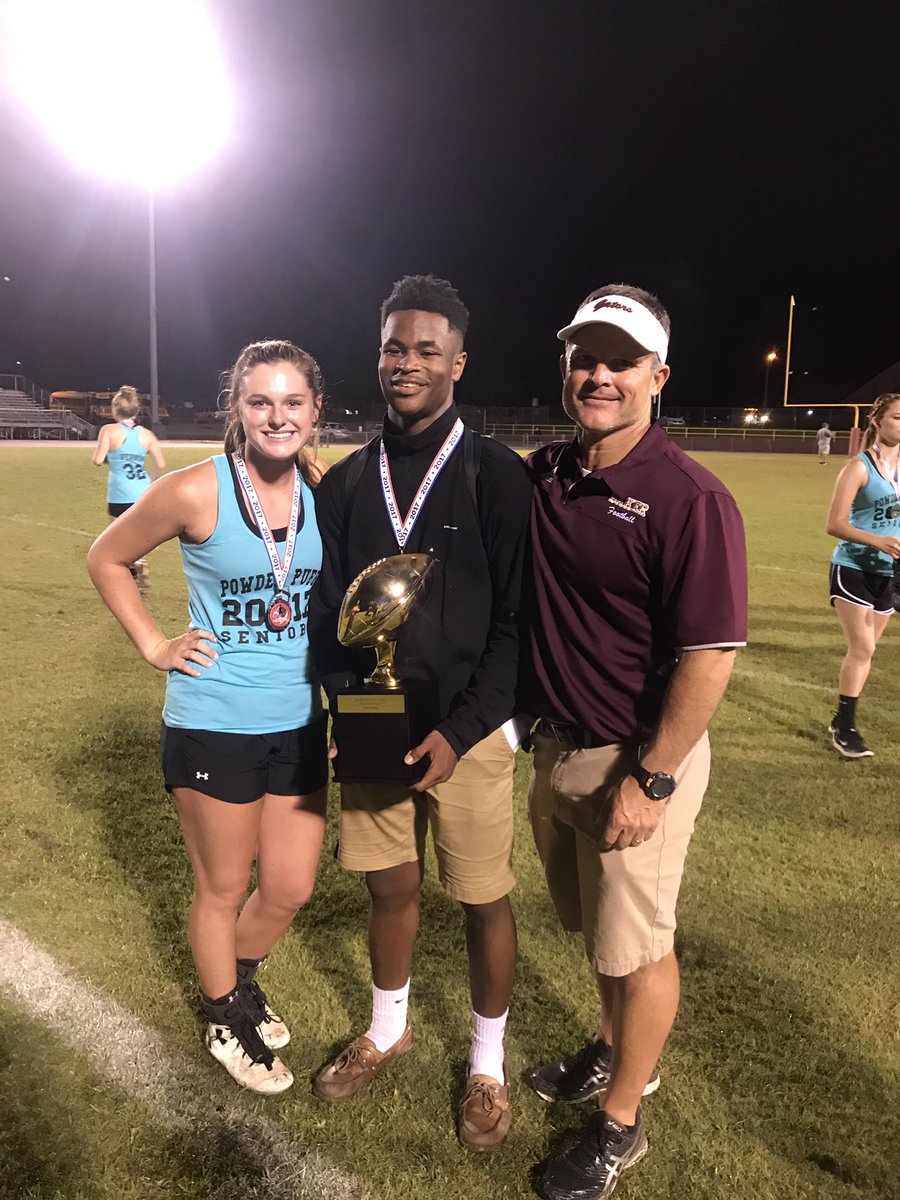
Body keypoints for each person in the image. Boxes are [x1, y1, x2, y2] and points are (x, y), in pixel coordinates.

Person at [520, 285, 747, 1200]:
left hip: (637, 758)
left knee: (642, 948)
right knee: (600, 935)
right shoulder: (546, 471)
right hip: (557, 748)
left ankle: (622, 1122)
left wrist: (650, 780)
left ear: (659, 376)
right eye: (586, 357)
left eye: (622, 360)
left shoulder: (691, 497)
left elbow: (710, 656)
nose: (600, 375)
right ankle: (612, 1046)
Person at [308, 274, 531, 1150]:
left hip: (468, 731)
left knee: (482, 899)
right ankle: (388, 1029)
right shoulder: (347, 482)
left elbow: (515, 626)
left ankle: (487, 1065)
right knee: (389, 885)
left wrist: (461, 729)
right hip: (377, 726)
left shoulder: (497, 475)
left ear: (458, 364)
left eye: (426, 350)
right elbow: (330, 613)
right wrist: (345, 714)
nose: (407, 363)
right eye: (394, 348)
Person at [88, 340, 329, 1095]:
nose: (277, 417)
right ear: (238, 408)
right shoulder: (196, 489)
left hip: (300, 720)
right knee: (223, 888)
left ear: (315, 410)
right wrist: (155, 644)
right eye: (261, 402)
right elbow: (106, 557)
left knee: (289, 888)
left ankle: (239, 982)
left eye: (292, 402)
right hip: (215, 718)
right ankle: (225, 1017)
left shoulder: (322, 487)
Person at [825, 393, 900, 758]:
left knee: (866, 651)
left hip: (889, 572)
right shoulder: (858, 467)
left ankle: (842, 721)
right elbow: (834, 523)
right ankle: (845, 725)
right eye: (897, 417)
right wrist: (876, 540)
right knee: (864, 647)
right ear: (877, 421)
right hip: (853, 567)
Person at [92, 385, 166, 592]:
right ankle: (139, 562)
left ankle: (129, 573)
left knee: (116, 536)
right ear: (136, 410)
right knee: (137, 534)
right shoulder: (148, 435)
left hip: (119, 492)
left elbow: (97, 460)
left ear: (115, 410)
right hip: (142, 492)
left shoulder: (109, 431)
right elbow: (161, 464)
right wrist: (152, 482)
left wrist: (112, 458)